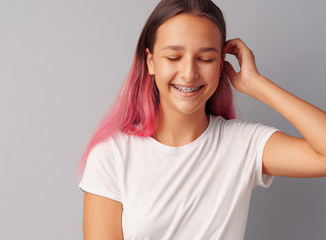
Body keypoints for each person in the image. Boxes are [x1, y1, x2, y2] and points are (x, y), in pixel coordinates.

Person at [78, 0, 326, 239]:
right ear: (151, 61)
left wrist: (256, 84)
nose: (188, 73)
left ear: (220, 66)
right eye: (174, 57)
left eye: (206, 59)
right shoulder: (112, 156)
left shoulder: (243, 144)